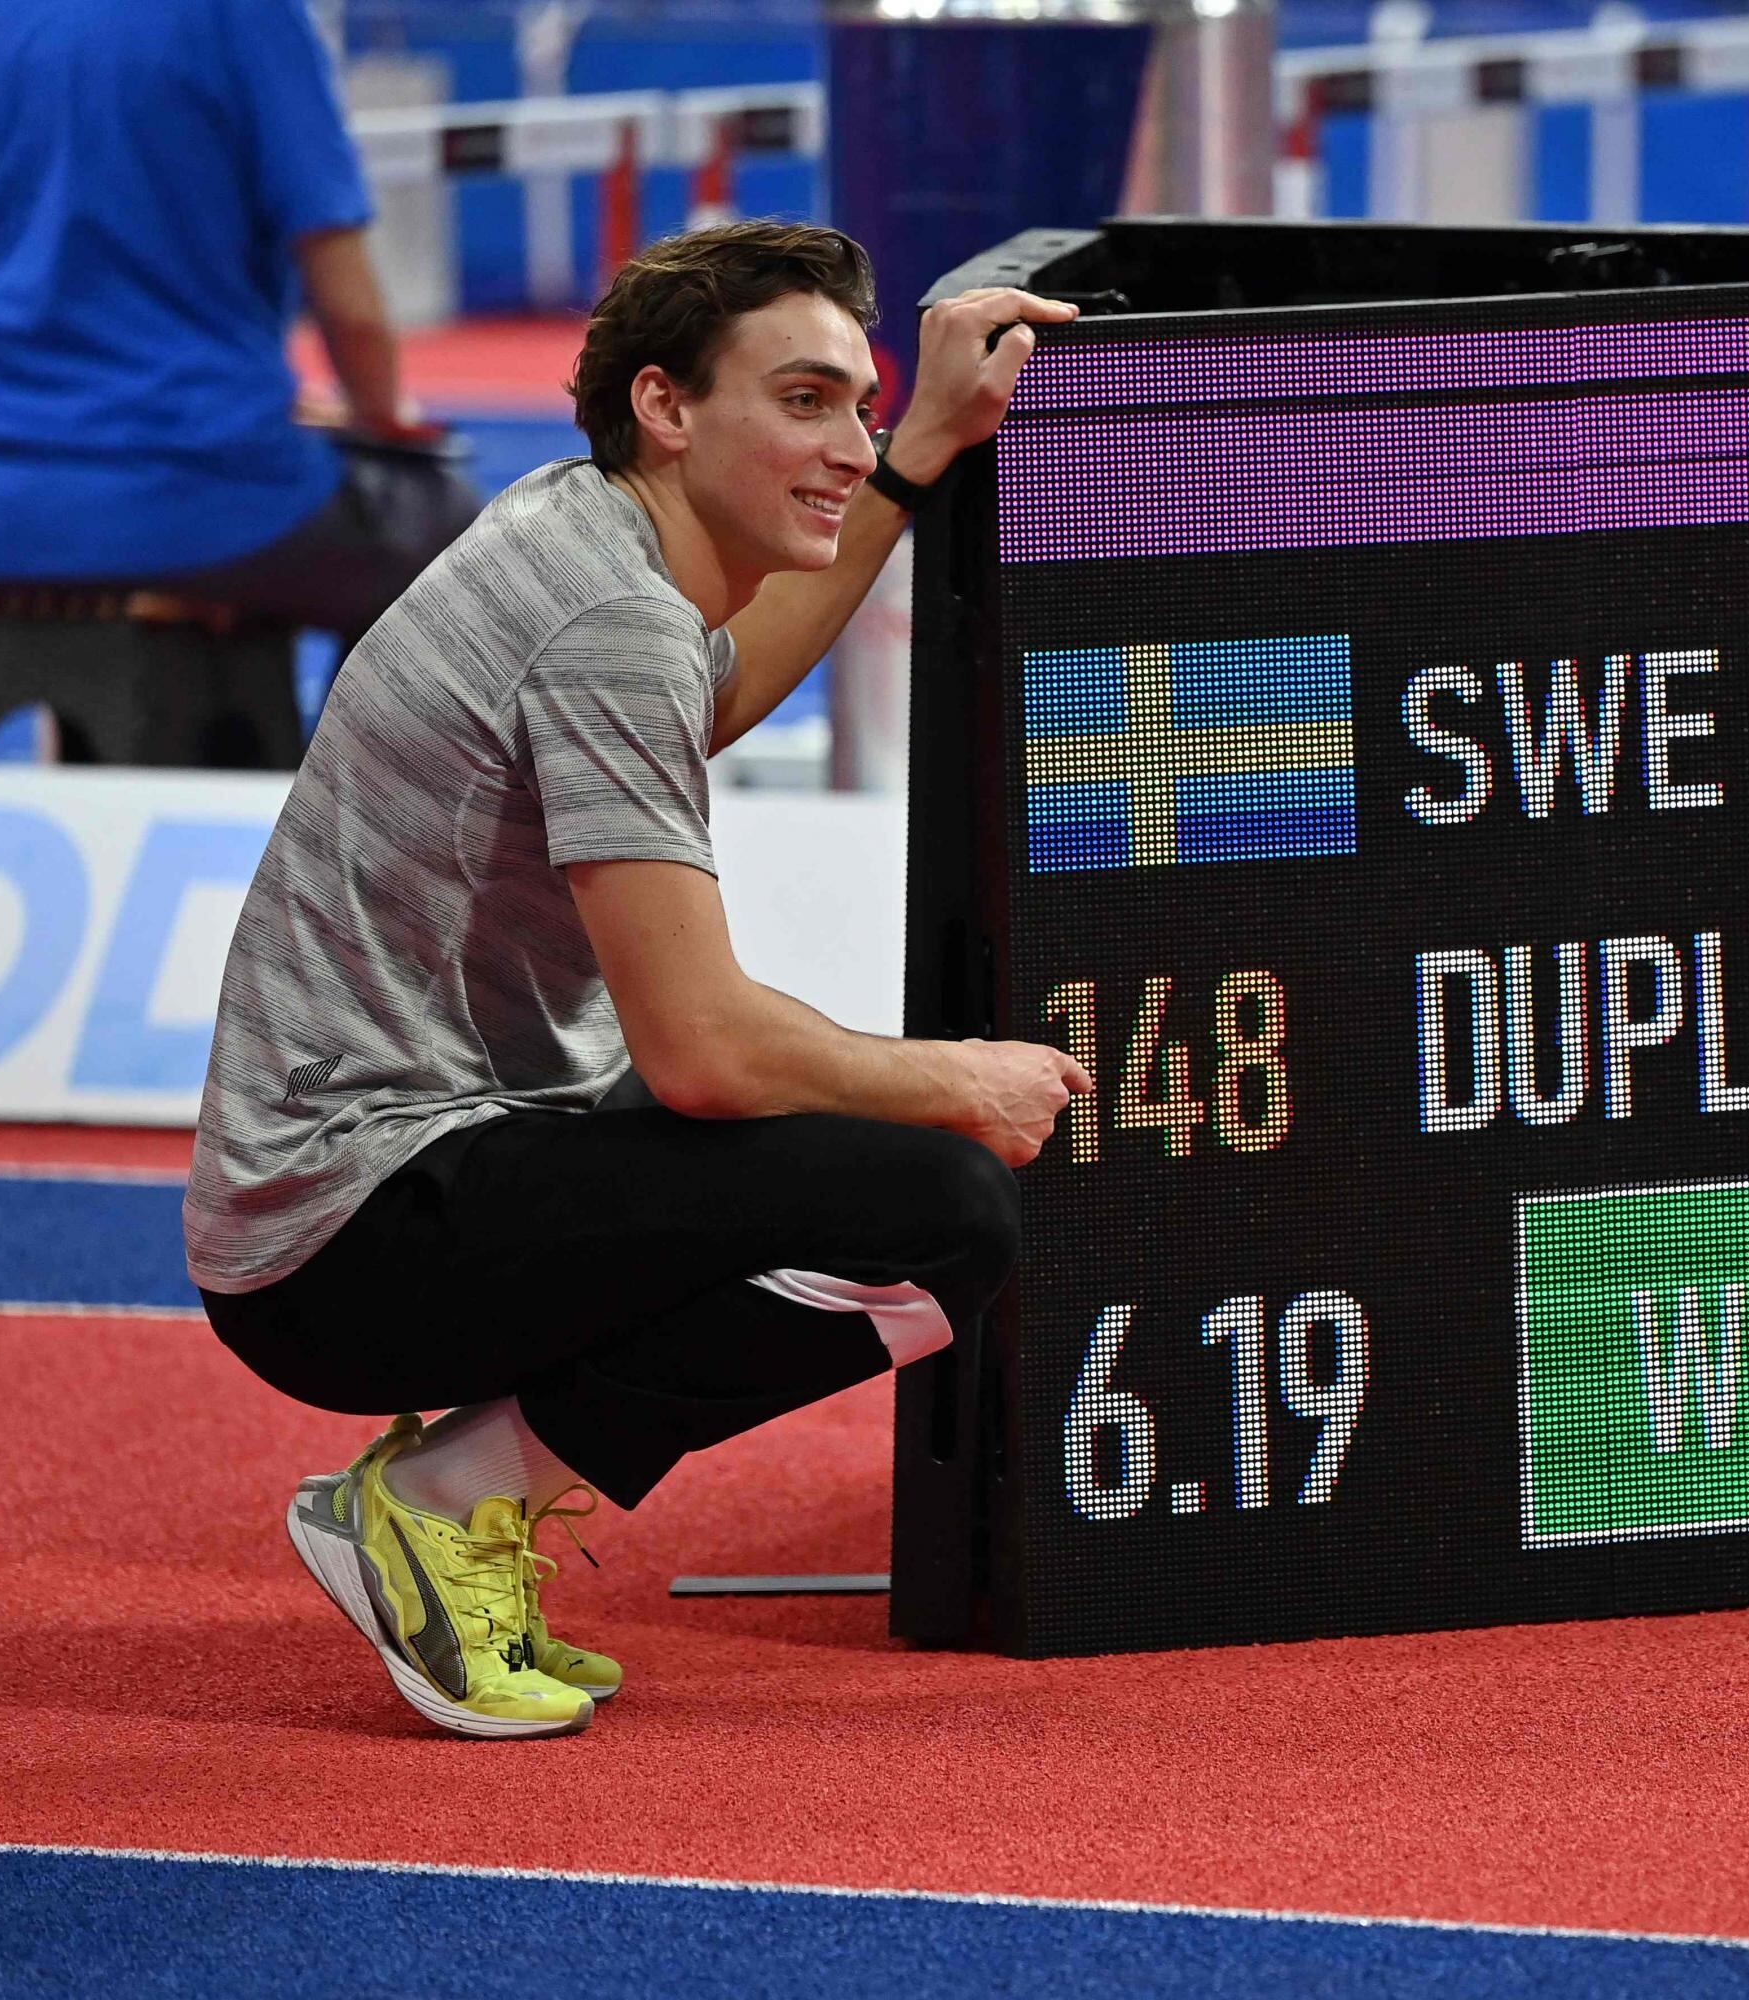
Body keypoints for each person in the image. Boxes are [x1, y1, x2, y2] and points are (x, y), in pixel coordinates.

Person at [181, 222, 1094, 1739]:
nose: (845, 446)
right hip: (350, 1235)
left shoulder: (583, 532)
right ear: (668, 406)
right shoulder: (608, 623)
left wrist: (923, 454)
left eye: (859, 408)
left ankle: (465, 1496)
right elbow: (706, 1057)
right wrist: (965, 1079)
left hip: (371, 1175)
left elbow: (722, 682)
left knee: (860, 1164)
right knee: (939, 1216)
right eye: (806, 403)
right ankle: (448, 1498)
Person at [0, 0, 471, 763]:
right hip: (197, 492)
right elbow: (351, 307)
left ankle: (90, 768)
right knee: (450, 534)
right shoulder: (243, 15)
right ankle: (350, 842)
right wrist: (381, 417)